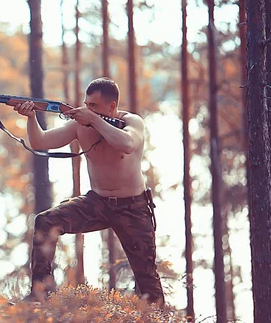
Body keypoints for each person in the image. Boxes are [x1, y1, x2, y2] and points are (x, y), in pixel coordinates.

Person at [13, 77, 164, 307]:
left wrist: (93, 120)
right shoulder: (79, 125)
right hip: (97, 202)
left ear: (111, 107)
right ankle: (40, 294)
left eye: (93, 106)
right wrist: (32, 117)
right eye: (86, 104)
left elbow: (127, 144)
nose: (86, 109)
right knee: (45, 221)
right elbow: (40, 141)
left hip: (133, 207)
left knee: (148, 283)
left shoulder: (132, 122)